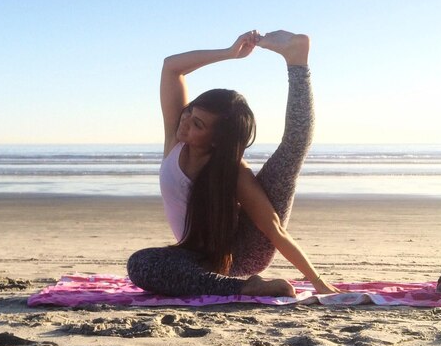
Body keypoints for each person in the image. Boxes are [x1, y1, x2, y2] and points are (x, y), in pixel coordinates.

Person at [127, 30, 339, 297]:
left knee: (291, 152)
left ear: (217, 140)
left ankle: (297, 61)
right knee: (141, 264)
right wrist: (229, 53)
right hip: (196, 258)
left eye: (198, 124)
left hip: (243, 255)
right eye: (190, 110)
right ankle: (245, 287)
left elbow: (273, 229)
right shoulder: (176, 139)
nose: (185, 120)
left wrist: (318, 281)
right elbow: (171, 67)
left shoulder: (234, 172)